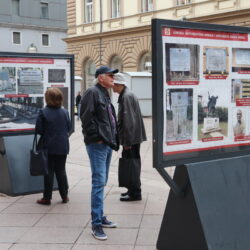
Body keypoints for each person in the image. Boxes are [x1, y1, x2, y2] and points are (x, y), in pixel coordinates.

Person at [80, 66, 119, 240]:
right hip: (98, 144)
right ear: (101, 77)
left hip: (107, 143)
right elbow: (86, 118)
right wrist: (97, 138)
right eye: (111, 75)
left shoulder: (104, 93)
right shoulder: (92, 92)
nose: (113, 78)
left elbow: (107, 119)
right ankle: (96, 224)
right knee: (98, 182)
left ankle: (100, 216)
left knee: (102, 181)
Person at [113, 73, 147, 202]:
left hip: (131, 138)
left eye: (114, 85)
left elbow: (128, 121)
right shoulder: (128, 94)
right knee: (131, 163)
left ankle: (135, 193)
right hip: (134, 137)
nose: (112, 88)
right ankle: (131, 189)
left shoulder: (126, 97)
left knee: (132, 164)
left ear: (119, 85)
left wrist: (127, 142)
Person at [35, 88, 71, 205]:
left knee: (49, 171)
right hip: (62, 146)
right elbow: (69, 128)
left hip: (48, 146)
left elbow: (39, 130)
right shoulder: (65, 112)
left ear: (47, 99)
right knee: (61, 171)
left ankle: (47, 198)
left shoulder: (43, 112)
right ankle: (64, 196)